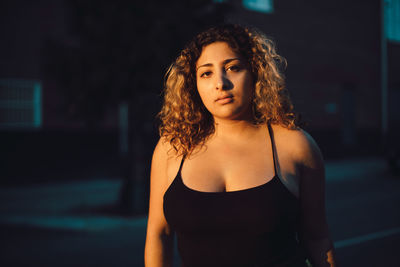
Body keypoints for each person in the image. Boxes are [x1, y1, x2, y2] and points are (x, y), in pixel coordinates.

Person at [144, 24, 337, 267]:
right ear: (194, 85)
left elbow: (318, 239)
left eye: (232, 68)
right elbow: (158, 234)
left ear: (255, 72)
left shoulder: (295, 146)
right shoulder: (173, 147)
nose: (220, 83)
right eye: (206, 73)